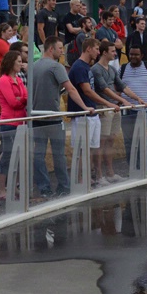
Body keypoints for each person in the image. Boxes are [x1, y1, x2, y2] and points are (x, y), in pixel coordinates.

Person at [33, 36, 94, 196]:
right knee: (58, 154)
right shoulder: (56, 67)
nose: (62, 52)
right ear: (51, 49)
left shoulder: (33, 66)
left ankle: (44, 188)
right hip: (52, 117)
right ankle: (64, 186)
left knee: (38, 155)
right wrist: (84, 106)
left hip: (35, 117)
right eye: (60, 49)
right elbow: (71, 89)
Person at [68, 38, 120, 186]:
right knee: (82, 149)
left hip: (92, 112)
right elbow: (87, 91)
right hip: (82, 114)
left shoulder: (86, 67)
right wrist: (108, 103)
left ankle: (87, 177)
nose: (98, 52)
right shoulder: (79, 67)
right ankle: (79, 179)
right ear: (88, 48)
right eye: (96, 49)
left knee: (91, 148)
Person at [92, 41, 143, 183]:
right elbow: (105, 89)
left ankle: (110, 172)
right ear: (104, 52)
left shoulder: (112, 69)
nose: (115, 53)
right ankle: (99, 175)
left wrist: (136, 99)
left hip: (114, 108)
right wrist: (124, 101)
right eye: (113, 51)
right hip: (104, 108)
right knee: (101, 143)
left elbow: (122, 86)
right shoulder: (96, 69)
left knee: (110, 141)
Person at [0, 51, 27, 200]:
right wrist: (21, 100)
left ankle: (12, 186)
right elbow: (13, 102)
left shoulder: (18, 79)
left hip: (20, 121)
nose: (21, 63)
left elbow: (25, 97)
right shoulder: (4, 80)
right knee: (7, 155)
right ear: (11, 63)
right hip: (9, 122)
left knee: (17, 156)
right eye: (19, 61)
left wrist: (20, 99)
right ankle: (1, 189)